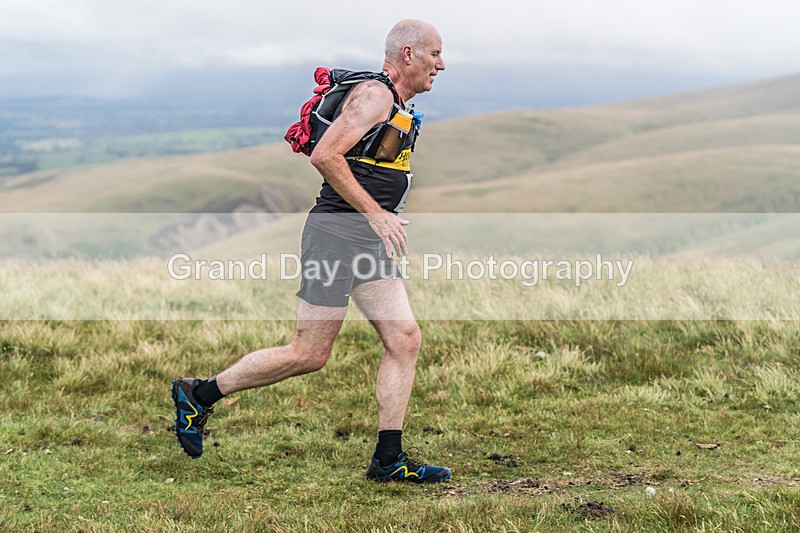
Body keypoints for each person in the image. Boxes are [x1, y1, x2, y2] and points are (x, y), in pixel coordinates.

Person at [171, 19, 449, 483]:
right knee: (309, 353)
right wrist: (375, 213)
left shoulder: (397, 103)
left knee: (405, 340)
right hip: (336, 237)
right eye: (435, 54)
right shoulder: (377, 96)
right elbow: (324, 155)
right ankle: (199, 395)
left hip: (365, 241)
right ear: (408, 54)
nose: (441, 64)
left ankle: (388, 460)